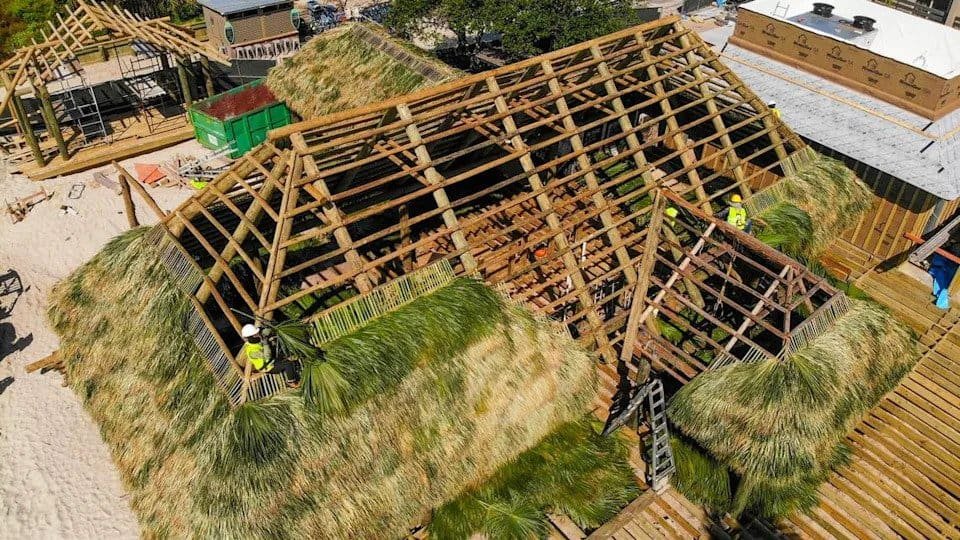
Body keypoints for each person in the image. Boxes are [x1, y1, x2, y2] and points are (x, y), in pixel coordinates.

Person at [241, 324, 301, 388]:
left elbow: (265, 332)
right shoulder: (252, 351)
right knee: (288, 364)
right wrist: (266, 344)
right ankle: (291, 382)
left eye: (257, 333)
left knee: (287, 355)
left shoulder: (255, 339)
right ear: (251, 337)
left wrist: (271, 328)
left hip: (272, 360)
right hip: (268, 367)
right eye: (256, 334)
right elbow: (267, 356)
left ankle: (296, 372)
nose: (258, 335)